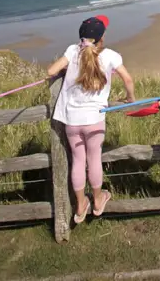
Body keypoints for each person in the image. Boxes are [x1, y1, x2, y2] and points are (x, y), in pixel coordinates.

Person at [48, 14, 135, 223]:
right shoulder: (110, 55)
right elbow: (128, 79)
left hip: (72, 119)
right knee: (94, 159)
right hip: (95, 118)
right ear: (101, 37)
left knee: (78, 161)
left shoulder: (72, 51)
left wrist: (67, 69)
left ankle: (80, 204)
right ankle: (97, 199)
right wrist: (130, 98)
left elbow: (51, 70)